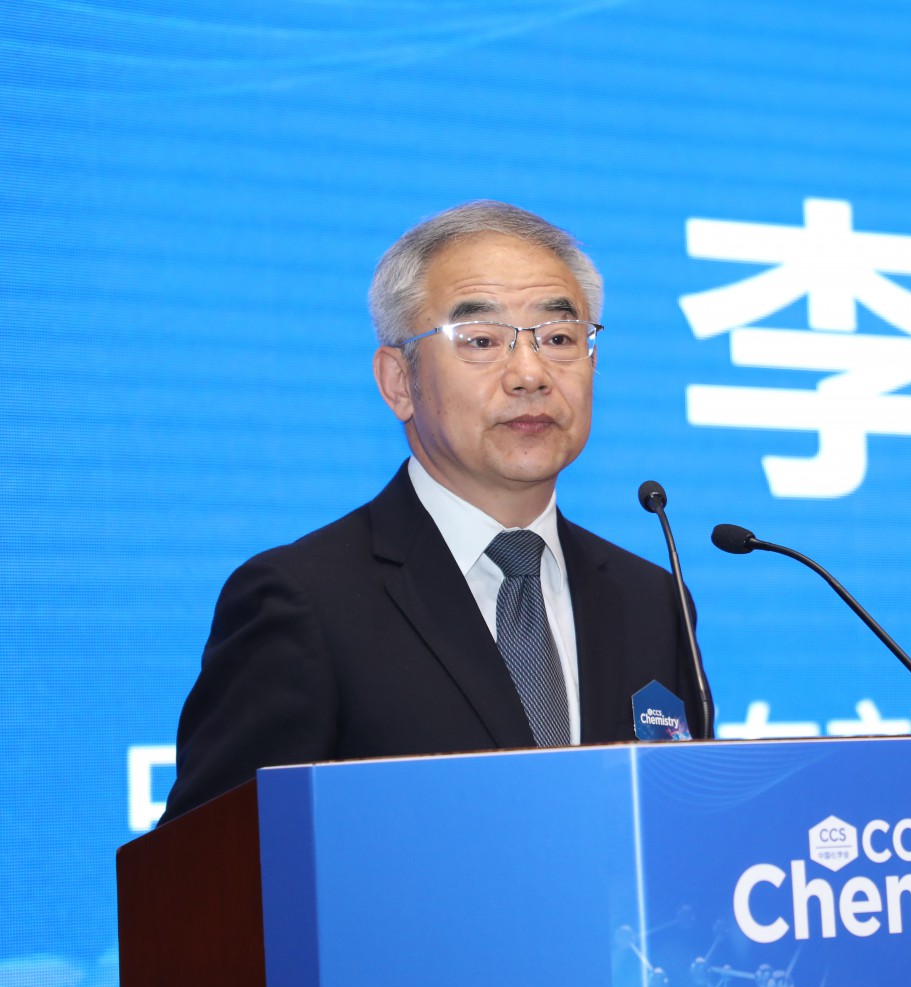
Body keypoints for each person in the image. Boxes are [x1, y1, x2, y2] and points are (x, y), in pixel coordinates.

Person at [161, 201, 709, 821]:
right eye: (481, 340)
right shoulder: (304, 601)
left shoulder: (652, 600)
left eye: (559, 338)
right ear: (399, 381)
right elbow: (210, 866)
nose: (530, 374)